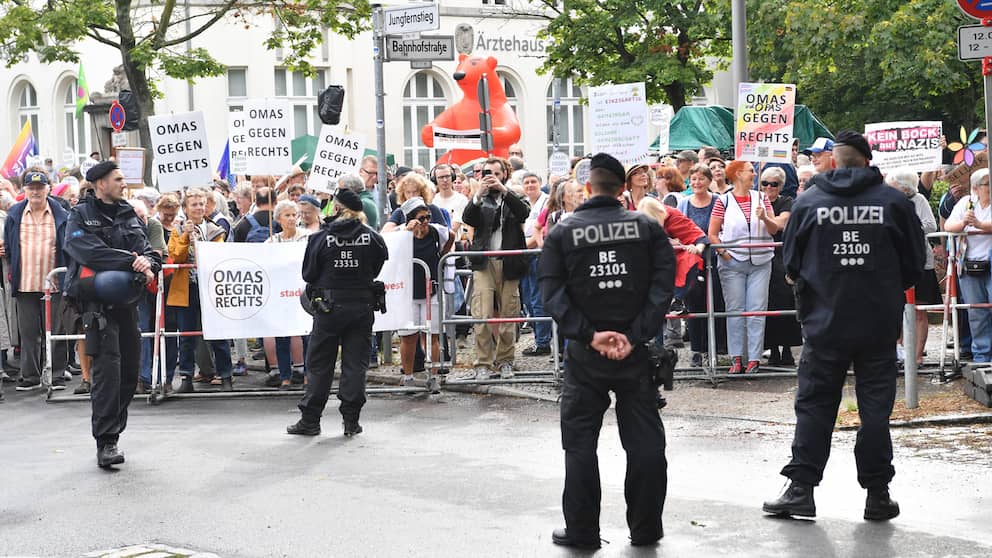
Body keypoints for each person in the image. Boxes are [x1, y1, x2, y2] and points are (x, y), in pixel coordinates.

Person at [763, 131, 925, 521]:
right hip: (877, 323)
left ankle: (801, 488)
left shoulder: (809, 201)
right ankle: (878, 493)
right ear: (867, 161)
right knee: (874, 409)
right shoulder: (893, 202)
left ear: (833, 162)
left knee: (815, 406)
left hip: (824, 322)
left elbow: (791, 263)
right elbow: (915, 262)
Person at [539, 152, 674, 549]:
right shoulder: (647, 229)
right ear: (622, 190)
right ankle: (646, 528)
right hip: (635, 353)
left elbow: (552, 293)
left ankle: (582, 531)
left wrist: (588, 335)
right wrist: (634, 335)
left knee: (580, 444)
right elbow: (663, 289)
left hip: (586, 355)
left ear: (587, 188)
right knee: (646, 443)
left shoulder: (564, 232)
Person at [63, 161, 162, 468]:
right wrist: (130, 262)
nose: (124, 183)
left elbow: (148, 251)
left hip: (127, 302)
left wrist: (147, 263)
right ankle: (106, 442)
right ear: (100, 184)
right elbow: (88, 251)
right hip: (96, 305)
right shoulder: (80, 214)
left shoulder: (129, 212)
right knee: (108, 371)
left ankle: (113, 431)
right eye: (118, 179)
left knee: (130, 372)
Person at [288, 188, 387, 437]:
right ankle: (351, 422)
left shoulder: (320, 238)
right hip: (361, 307)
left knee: (320, 365)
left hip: (329, 308)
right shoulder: (372, 237)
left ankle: (310, 421)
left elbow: (308, 275)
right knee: (355, 365)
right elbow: (376, 268)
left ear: (339, 208)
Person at [456, 157, 530, 380]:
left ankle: (505, 361)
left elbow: (523, 212)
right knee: (482, 314)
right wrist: (478, 194)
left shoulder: (513, 197)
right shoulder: (479, 198)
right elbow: (468, 218)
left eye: (497, 174)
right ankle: (482, 363)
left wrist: (504, 191)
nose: (492, 178)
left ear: (505, 175)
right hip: (484, 263)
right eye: (488, 173)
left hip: (509, 262)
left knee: (509, 314)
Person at [708, 160, 780, 374]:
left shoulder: (762, 198)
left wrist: (765, 216)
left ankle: (755, 358)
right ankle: (736, 358)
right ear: (738, 174)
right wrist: (724, 252)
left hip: (760, 261)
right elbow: (712, 232)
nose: (754, 174)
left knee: (757, 310)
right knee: (735, 311)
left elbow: (774, 228)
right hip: (733, 262)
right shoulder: (723, 201)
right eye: (750, 171)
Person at [5, 170, 69, 391]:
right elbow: (11, 249)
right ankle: (30, 376)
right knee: (29, 333)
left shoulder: (61, 213)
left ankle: (58, 375)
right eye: (31, 188)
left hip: (55, 282)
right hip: (25, 283)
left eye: (40, 188)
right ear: (24, 190)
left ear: (48, 189)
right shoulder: (14, 214)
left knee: (57, 331)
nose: (35, 191)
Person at [168, 188, 233, 393]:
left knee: (217, 333)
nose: (198, 208)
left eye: (201, 204)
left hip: (210, 287)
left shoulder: (215, 231)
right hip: (186, 287)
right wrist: (187, 236)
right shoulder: (177, 231)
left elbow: (216, 256)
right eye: (194, 204)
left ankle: (225, 376)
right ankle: (186, 377)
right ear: (186, 208)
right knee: (186, 335)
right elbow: (176, 257)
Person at [387, 198, 449, 386]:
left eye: (428, 217)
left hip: (432, 290)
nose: (425, 222)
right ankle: (408, 376)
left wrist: (443, 256)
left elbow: (451, 235)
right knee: (408, 337)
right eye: (421, 218)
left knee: (433, 335)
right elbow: (387, 246)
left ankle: (434, 375)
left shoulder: (436, 231)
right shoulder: (400, 233)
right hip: (408, 293)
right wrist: (405, 231)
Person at [886, 169, 939, 365]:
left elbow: (931, 225)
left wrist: (907, 228)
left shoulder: (919, 200)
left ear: (903, 187)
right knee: (895, 309)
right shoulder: (888, 201)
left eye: (891, 185)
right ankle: (898, 353)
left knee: (919, 310)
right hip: (894, 264)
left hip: (919, 262)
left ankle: (917, 355)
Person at [677, 164, 728, 366]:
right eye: (694, 179)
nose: (697, 183)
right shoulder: (684, 204)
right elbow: (679, 230)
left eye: (701, 179)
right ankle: (697, 350)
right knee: (694, 305)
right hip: (691, 262)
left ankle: (714, 349)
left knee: (715, 303)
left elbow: (723, 229)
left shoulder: (718, 201)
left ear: (709, 181)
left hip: (714, 260)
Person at [945, 168, 992, 362]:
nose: (989, 187)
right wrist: (964, 223)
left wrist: (980, 226)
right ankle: (982, 356)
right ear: (975, 187)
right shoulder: (966, 203)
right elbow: (948, 226)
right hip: (969, 263)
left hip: (990, 261)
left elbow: (982, 225)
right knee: (976, 312)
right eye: (987, 184)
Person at [263, 200, 311, 389]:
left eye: (294, 215)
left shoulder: (308, 237)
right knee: (282, 335)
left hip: (303, 293)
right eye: (287, 215)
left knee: (306, 335)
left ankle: (308, 375)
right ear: (278, 219)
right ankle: (285, 376)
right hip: (281, 296)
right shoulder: (272, 241)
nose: (291, 219)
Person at [758, 167, 801, 367]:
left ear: (781, 186)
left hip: (781, 257)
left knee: (784, 300)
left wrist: (764, 218)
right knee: (765, 302)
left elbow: (780, 224)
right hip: (759, 257)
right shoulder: (755, 201)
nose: (768, 187)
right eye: (764, 183)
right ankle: (772, 348)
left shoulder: (786, 202)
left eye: (773, 184)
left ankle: (787, 349)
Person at [521, 172, 551, 356]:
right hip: (523, 254)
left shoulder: (546, 202)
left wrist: (523, 246)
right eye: (526, 182)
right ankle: (540, 336)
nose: (530, 185)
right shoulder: (523, 202)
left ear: (540, 183)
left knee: (538, 299)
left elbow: (542, 229)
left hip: (536, 252)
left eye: (533, 181)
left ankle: (543, 342)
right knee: (527, 300)